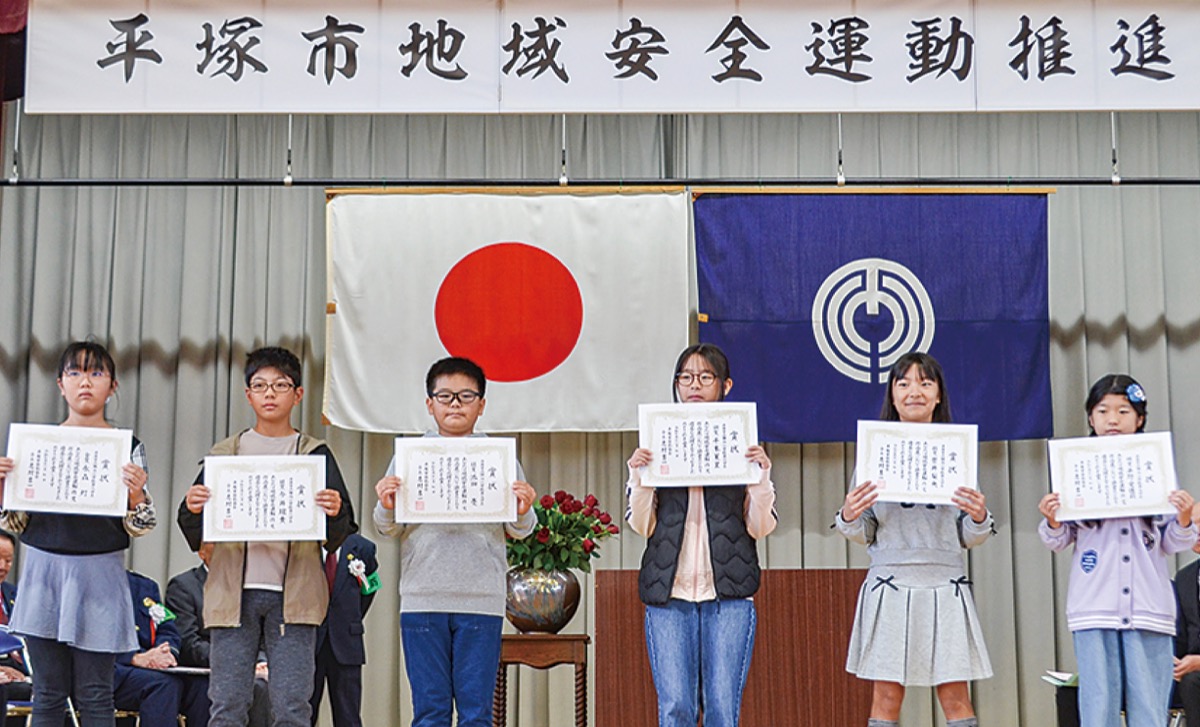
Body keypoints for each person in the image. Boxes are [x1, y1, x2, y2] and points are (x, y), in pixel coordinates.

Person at [177, 346, 354, 727]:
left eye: (280, 385)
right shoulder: (225, 454)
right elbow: (191, 527)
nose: (270, 393)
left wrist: (335, 510)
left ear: (298, 394)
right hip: (232, 595)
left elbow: (342, 531)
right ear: (248, 394)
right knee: (226, 704)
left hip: (295, 597)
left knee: (292, 706)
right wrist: (193, 507)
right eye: (260, 385)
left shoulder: (314, 455)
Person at [373, 357, 536, 727]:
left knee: (477, 714)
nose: (455, 404)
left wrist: (525, 509)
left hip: (482, 599)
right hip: (422, 597)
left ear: (482, 404)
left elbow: (521, 529)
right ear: (429, 404)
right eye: (445, 396)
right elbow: (386, 528)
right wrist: (385, 505)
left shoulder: (499, 458)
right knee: (429, 713)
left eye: (466, 396)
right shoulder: (408, 456)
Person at [0, 341, 156, 727]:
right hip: (43, 571)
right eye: (75, 373)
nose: (85, 382)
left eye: (96, 373)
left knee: (96, 693)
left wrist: (136, 494)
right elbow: (14, 523)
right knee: (48, 693)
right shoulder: (34, 446)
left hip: (100, 573)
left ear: (113, 386)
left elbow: (142, 525)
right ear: (60, 384)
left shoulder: (128, 447)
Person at [836, 352, 993, 727]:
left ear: (939, 394)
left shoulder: (958, 451)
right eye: (903, 383)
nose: (914, 392)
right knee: (886, 696)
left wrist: (979, 516)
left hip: (944, 583)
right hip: (889, 584)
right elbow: (865, 531)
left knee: (955, 696)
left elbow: (969, 535)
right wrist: (849, 515)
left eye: (925, 383)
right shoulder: (873, 452)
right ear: (892, 394)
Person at [625, 343, 777, 727]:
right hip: (668, 594)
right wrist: (639, 479)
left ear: (725, 386)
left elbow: (761, 527)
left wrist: (760, 478)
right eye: (686, 378)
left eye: (705, 377)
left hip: (728, 596)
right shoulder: (659, 441)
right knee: (675, 707)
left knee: (723, 709)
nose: (694, 385)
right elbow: (641, 526)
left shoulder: (741, 444)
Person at [1040, 374, 1196, 727]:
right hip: (1094, 607)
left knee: (1150, 704)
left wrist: (1184, 518)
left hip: (1149, 607)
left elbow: (1172, 543)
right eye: (1103, 410)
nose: (1113, 419)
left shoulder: (1157, 470)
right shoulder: (1074, 469)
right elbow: (1058, 540)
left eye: (1124, 411)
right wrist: (1052, 520)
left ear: (1140, 419)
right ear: (1091, 418)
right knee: (1099, 705)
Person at [165, 543, 272, 727]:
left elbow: (264, 637)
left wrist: (260, 662)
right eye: (217, 543)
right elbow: (189, 643)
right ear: (201, 552)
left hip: (248, 666)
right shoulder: (184, 586)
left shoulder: (250, 586)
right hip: (203, 670)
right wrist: (239, 663)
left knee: (271, 687)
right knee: (242, 688)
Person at [112, 571, 209, 727]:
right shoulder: (88, 585)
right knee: (163, 685)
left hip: (151, 667)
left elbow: (167, 628)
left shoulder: (144, 586)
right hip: (111, 669)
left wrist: (165, 651)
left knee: (202, 686)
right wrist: (134, 657)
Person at [310, 532, 378, 727]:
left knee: (348, 715)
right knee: (303, 712)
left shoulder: (363, 548)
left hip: (347, 642)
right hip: (310, 641)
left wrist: (350, 619)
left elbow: (370, 589)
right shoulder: (306, 544)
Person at [1173, 503, 1200, 727]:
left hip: (1196, 675)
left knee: (1193, 682)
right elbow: (1181, 635)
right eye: (1193, 525)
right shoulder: (1185, 577)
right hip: (1189, 669)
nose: (1197, 533)